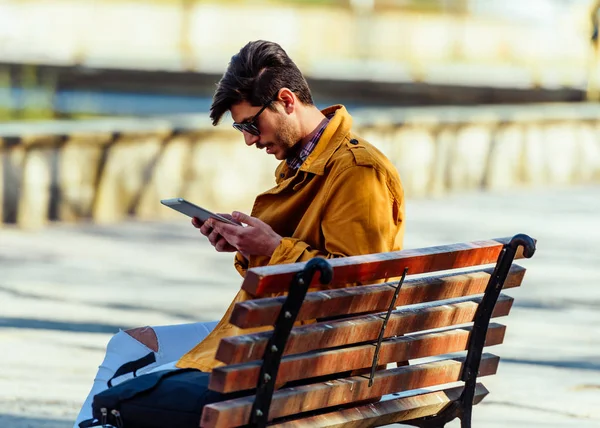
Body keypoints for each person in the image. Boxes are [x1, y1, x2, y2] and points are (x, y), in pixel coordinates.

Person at [74, 40, 405, 427]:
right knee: (127, 346)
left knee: (129, 392)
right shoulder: (306, 164)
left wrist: (273, 247)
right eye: (240, 128)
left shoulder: (356, 172)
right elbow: (301, 262)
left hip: (315, 353)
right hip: (280, 335)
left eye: (251, 124)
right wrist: (247, 247)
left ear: (286, 100)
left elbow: (359, 288)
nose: (249, 139)